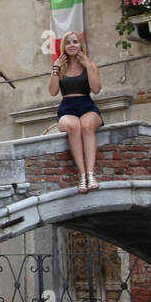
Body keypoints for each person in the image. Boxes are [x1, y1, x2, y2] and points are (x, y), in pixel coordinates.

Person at [47, 31, 103, 192]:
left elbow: (96, 89)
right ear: (64, 46)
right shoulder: (60, 67)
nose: (72, 45)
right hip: (67, 107)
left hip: (87, 105)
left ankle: (91, 174)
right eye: (68, 42)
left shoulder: (90, 65)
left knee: (86, 126)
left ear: (81, 45)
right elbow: (52, 92)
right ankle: (82, 175)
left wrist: (88, 66)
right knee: (74, 126)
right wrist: (55, 68)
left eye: (75, 42)